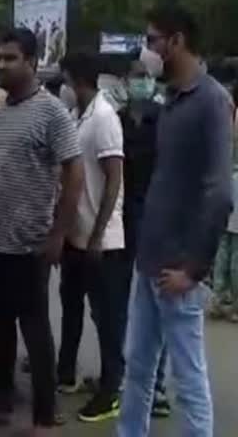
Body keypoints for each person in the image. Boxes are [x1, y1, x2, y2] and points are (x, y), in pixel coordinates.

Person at [118, 1, 233, 437]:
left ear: (177, 41)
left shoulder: (212, 102)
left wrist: (193, 269)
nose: (147, 50)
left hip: (178, 269)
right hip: (149, 260)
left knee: (188, 379)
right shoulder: (169, 102)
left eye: (152, 40)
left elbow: (219, 192)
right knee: (138, 369)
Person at [0, 29, 83, 434]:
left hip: (30, 243)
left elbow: (74, 173)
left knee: (35, 330)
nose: (1, 66)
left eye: (11, 58)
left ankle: (44, 417)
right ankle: (0, 400)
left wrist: (58, 233)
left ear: (32, 62)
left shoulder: (52, 113)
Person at [55, 52, 126, 423]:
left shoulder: (103, 118)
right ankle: (65, 371)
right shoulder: (75, 117)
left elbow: (114, 178)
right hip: (75, 236)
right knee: (71, 306)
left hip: (102, 240)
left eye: (65, 80)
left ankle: (111, 389)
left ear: (78, 80)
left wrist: (98, 234)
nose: (63, 88)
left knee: (106, 317)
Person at [118, 58, 172, 419]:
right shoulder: (118, 120)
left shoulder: (163, 119)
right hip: (123, 220)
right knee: (124, 304)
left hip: (157, 220)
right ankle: (130, 375)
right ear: (125, 82)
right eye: (136, 78)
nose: (141, 83)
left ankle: (159, 387)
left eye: (146, 78)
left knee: (158, 303)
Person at [211, 84, 238, 322]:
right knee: (233, 248)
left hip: (225, 183)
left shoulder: (226, 114)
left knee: (225, 245)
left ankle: (219, 298)